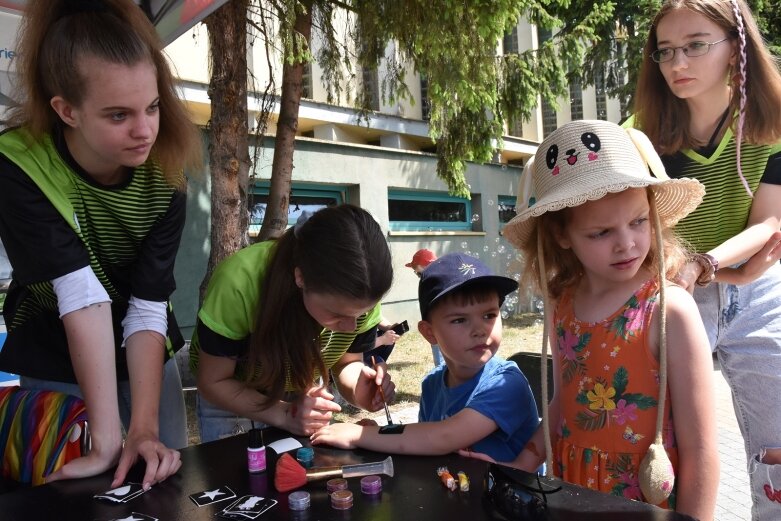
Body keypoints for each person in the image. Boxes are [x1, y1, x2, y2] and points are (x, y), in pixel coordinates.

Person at [468, 120, 719, 520]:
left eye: (638, 221)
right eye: (601, 232)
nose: (627, 243)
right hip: (571, 492)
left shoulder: (668, 310)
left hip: (644, 503)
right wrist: (520, 465)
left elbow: (702, 448)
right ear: (562, 236)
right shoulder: (562, 305)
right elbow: (563, 403)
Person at [0, 0, 202, 489]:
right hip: (56, 353)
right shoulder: (19, 164)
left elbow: (150, 301)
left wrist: (146, 429)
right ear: (66, 110)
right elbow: (80, 294)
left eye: (152, 107)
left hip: (147, 353)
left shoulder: (167, 172)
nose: (145, 130)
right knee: (77, 495)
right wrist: (108, 438)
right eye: (118, 115)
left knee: (162, 479)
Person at [630, 1, 781, 518]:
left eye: (695, 45)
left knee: (777, 443)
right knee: (655, 435)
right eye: (665, 51)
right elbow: (642, 234)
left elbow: (769, 224)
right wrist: (706, 269)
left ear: (736, 48)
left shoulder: (773, 122)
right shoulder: (640, 135)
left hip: (755, 288)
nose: (677, 64)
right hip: (673, 288)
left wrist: (713, 265)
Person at [192, 205, 396, 442]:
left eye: (363, 313)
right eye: (337, 314)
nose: (351, 326)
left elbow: (346, 362)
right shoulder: (240, 283)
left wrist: (361, 389)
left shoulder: (362, 292)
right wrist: (285, 414)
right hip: (234, 397)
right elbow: (213, 381)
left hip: (301, 397)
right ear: (300, 277)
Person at [311, 253, 540, 462]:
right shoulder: (432, 385)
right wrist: (381, 435)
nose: (480, 330)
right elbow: (425, 441)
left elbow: (444, 437)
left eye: (489, 315)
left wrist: (363, 436)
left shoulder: (506, 384)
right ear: (429, 332)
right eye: (460, 320)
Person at [406, 248, 444, 366]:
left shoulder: (432, 281)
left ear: (426, 265)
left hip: (438, 324)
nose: (416, 273)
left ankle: (441, 371)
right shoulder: (430, 279)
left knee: (439, 349)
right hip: (435, 324)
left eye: (416, 270)